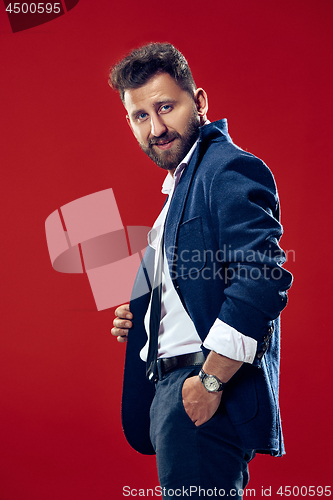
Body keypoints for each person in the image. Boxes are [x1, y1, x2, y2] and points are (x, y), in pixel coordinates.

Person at [109, 43, 292, 499]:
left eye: (166, 106)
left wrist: (209, 382)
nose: (156, 127)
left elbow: (262, 276)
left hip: (201, 391)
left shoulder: (226, 168)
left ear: (201, 102)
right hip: (172, 394)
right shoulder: (181, 190)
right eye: (140, 116)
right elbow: (196, 283)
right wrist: (146, 317)